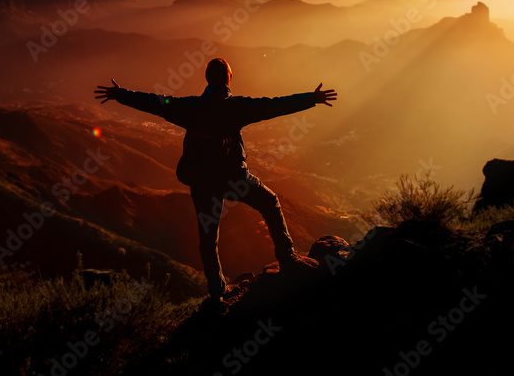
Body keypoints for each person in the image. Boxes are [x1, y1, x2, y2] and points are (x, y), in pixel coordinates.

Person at [94, 57, 337, 299]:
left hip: (202, 181)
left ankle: (216, 291)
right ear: (229, 79)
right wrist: (311, 99)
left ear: (208, 79)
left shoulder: (189, 107)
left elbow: (155, 102)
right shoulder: (236, 107)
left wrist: (120, 94)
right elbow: (274, 105)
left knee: (208, 236)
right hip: (234, 178)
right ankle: (288, 258)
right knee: (270, 203)